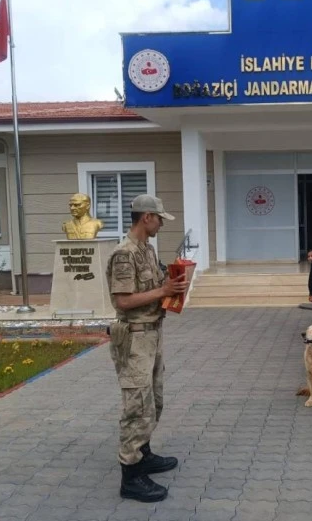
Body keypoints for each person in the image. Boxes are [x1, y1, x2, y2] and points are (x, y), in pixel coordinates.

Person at [105, 194, 190, 502]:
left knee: (153, 399)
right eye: (159, 219)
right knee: (136, 406)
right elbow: (123, 301)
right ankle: (131, 476)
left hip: (152, 334)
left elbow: (153, 290)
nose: (160, 225)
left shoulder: (148, 250)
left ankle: (143, 452)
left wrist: (173, 283)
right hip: (135, 338)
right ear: (146, 218)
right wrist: (163, 289)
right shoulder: (124, 254)